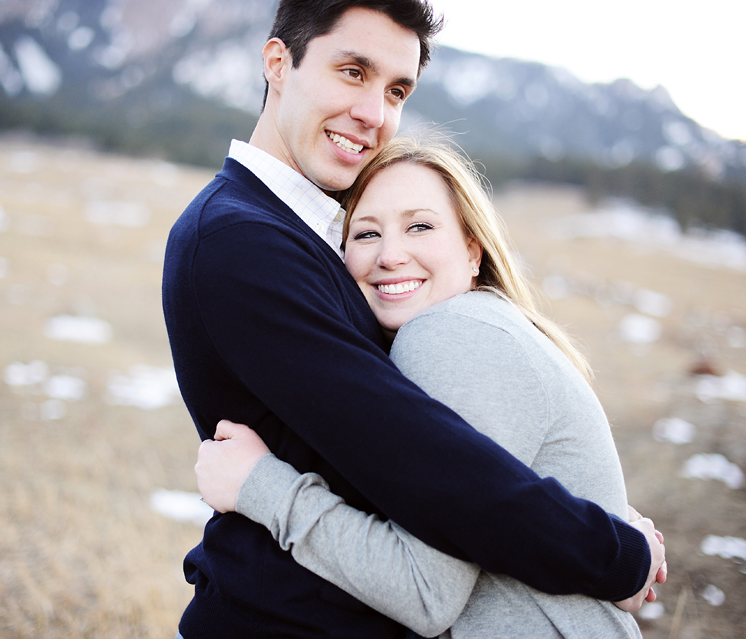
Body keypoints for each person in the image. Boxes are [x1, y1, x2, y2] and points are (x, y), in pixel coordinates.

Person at [161, 1, 664, 637]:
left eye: (396, 89)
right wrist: (616, 554)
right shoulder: (240, 241)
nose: (374, 115)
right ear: (278, 63)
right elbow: (429, 464)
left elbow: (440, 453)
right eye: (352, 71)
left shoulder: (314, 237)